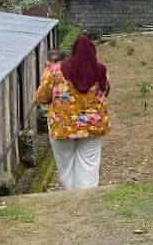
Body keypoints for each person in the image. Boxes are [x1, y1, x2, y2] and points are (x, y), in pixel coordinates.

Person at [35, 35, 111, 190]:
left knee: (66, 166)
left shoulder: (54, 71)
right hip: (93, 126)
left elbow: (41, 97)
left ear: (73, 52)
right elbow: (107, 90)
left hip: (62, 126)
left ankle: (70, 199)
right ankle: (87, 200)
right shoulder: (101, 70)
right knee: (89, 164)